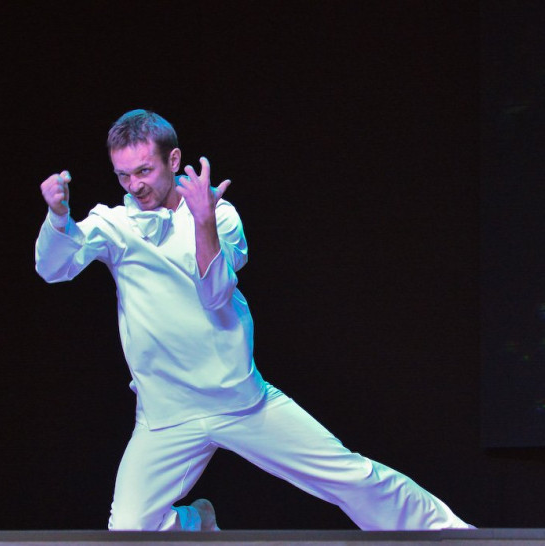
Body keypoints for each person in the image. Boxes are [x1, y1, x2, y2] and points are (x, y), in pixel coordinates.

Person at [34, 109, 474, 532]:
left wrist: (203, 221)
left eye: (144, 171)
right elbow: (54, 269)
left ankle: (451, 531)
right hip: (166, 416)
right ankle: (195, 524)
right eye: (124, 176)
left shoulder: (220, 214)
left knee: (349, 476)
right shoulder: (114, 225)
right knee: (130, 530)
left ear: (173, 159)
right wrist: (58, 216)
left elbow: (215, 293)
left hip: (239, 400)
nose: (135, 186)